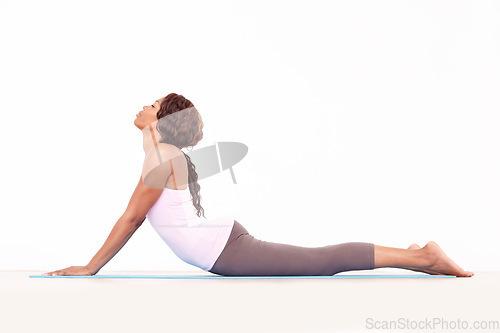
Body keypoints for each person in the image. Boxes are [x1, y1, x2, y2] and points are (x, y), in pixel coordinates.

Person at [43, 93, 474, 278]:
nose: (143, 105)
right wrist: (153, 127)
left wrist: (90, 266)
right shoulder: (161, 151)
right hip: (222, 245)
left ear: (161, 120)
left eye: (152, 104)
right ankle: (418, 256)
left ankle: (422, 258)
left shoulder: (162, 156)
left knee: (319, 263)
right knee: (317, 261)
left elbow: (133, 217)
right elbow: (151, 139)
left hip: (226, 250)